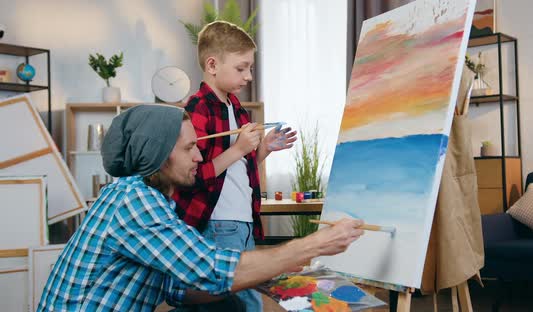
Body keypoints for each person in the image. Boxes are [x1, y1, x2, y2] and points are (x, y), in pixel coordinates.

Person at [36, 105, 363, 311]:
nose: (199, 157)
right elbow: (211, 270)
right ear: (160, 155)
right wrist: (314, 244)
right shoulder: (134, 201)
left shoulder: (144, 198)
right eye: (190, 148)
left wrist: (263, 276)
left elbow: (179, 288)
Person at [173, 21, 296, 311]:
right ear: (213, 65)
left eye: (250, 68)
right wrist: (240, 147)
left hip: (241, 220)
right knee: (240, 300)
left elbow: (237, 167)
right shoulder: (197, 108)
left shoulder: (235, 108)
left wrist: (262, 148)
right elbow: (195, 176)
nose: (249, 76)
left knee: (232, 295)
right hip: (218, 221)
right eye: (242, 68)